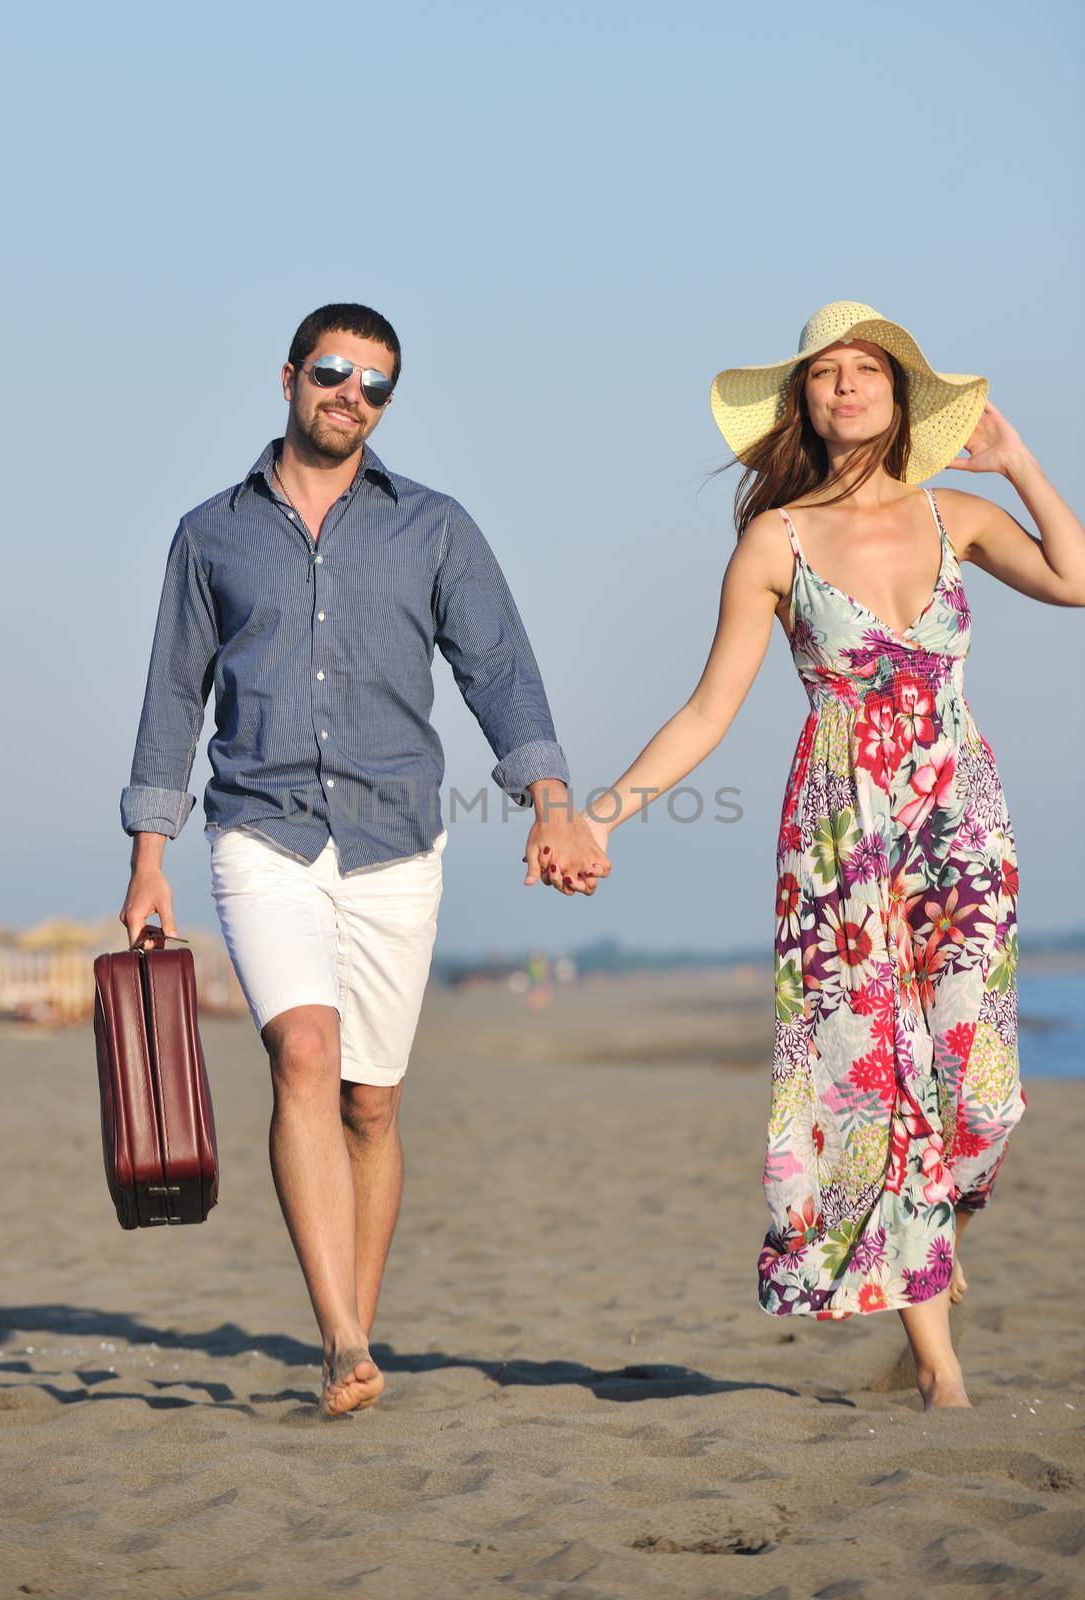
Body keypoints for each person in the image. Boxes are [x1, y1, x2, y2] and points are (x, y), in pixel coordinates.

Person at [576, 301, 1085, 1408]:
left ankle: (923, 1256)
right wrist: (602, 812)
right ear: (802, 403)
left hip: (957, 826)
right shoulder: (776, 538)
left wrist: (1021, 463)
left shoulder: (959, 515)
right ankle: (937, 1360)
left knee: (980, 1091)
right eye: (826, 374)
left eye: (868, 371)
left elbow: (1077, 577)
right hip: (838, 840)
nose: (847, 386)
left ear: (901, 397)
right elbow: (709, 709)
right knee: (874, 1080)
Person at [119, 302, 608, 1417]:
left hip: (398, 840)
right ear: (290, 375)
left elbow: (501, 670)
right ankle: (339, 1339)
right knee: (303, 1054)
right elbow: (170, 701)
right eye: (334, 371)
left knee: (370, 1104)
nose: (352, 394)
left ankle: (355, 1330)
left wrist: (548, 802)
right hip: (261, 826)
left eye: (375, 383)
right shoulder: (211, 534)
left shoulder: (434, 527)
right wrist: (149, 856)